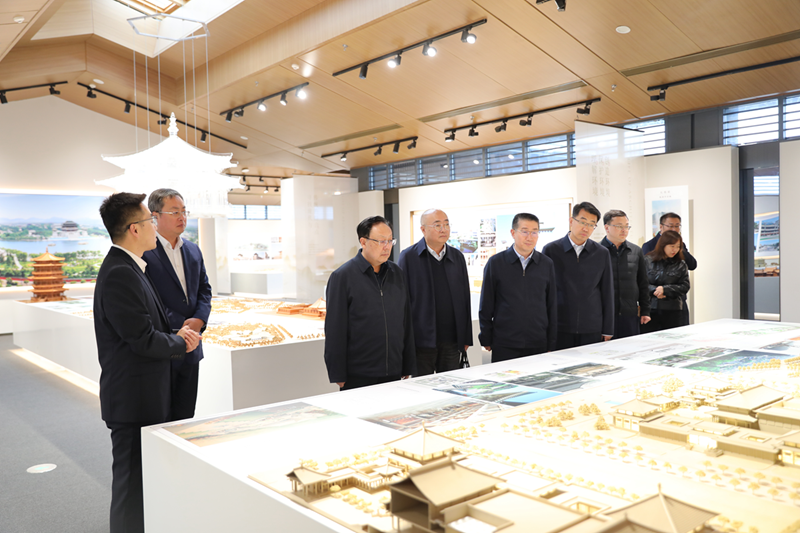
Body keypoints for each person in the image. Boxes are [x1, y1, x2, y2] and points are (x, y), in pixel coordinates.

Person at [94, 192, 200, 533]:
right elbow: (141, 339)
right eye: (150, 220)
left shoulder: (131, 266)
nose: (155, 226)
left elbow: (146, 328)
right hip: (133, 401)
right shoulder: (120, 272)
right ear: (134, 229)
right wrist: (181, 342)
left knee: (142, 485)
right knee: (130, 488)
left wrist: (174, 335)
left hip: (144, 396)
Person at [143, 188, 212, 421]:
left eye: (184, 211)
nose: (182, 217)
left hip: (192, 345)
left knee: (186, 415)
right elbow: (146, 300)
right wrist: (177, 327)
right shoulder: (144, 252)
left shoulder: (193, 250)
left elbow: (204, 290)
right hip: (162, 346)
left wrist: (199, 319)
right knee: (160, 418)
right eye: (174, 212)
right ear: (155, 216)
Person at [324, 216, 416, 390]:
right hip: (358, 374)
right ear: (363, 242)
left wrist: (408, 364)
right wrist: (337, 372)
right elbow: (335, 329)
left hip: (394, 370)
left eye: (390, 241)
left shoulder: (397, 273)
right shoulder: (342, 277)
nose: (387, 246)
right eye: (381, 241)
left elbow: (406, 321)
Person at [398, 209, 472, 375]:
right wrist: (405, 343)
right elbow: (402, 302)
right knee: (422, 387)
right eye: (437, 225)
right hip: (421, 342)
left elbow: (465, 298)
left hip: (451, 340)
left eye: (446, 224)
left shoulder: (457, 256)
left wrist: (466, 336)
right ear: (423, 229)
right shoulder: (408, 257)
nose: (443, 229)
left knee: (451, 385)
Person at [479, 213, 557, 362]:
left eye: (534, 232)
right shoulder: (496, 263)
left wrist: (551, 341)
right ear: (513, 233)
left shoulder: (546, 264)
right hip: (505, 342)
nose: (530, 237)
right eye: (525, 231)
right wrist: (486, 337)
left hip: (537, 341)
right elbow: (486, 304)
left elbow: (551, 305)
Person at [542, 201, 614, 350]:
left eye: (592, 224)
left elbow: (607, 291)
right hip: (560, 325)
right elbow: (544, 291)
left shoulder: (601, 253)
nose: (586, 228)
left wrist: (608, 328)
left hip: (591, 326)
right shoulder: (551, 250)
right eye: (582, 222)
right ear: (571, 221)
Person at [600, 209, 651, 338]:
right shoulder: (597, 251)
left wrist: (645, 310)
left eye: (627, 226)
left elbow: (643, 283)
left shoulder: (636, 251)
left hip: (630, 314)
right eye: (619, 226)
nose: (624, 230)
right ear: (607, 227)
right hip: (605, 315)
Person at [642, 212, 697, 325]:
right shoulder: (649, 246)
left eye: (677, 226)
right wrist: (658, 291)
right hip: (654, 303)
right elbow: (643, 280)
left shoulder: (680, 250)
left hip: (676, 302)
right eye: (670, 226)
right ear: (661, 226)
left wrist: (679, 248)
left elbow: (692, 265)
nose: (674, 229)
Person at [641, 230, 690, 333]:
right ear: (663, 245)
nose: (675, 250)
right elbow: (641, 283)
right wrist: (656, 290)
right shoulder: (647, 260)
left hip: (673, 310)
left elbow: (685, 286)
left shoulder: (681, 264)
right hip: (650, 309)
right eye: (672, 246)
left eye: (678, 247)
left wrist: (665, 290)